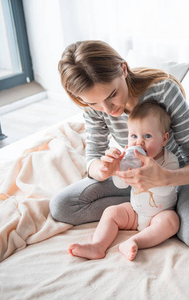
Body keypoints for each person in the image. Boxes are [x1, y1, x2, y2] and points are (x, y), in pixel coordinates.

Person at [50, 40, 189, 249]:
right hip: (138, 179)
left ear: (123, 69)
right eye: (93, 103)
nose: (107, 109)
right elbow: (93, 158)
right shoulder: (95, 107)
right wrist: (103, 169)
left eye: (112, 95)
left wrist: (166, 178)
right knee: (62, 206)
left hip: (180, 173)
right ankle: (159, 212)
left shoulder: (163, 91)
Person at [69, 101, 180, 260]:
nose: (139, 142)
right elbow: (121, 185)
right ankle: (97, 246)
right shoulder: (131, 160)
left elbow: (167, 189)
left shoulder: (170, 161)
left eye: (147, 136)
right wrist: (117, 170)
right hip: (135, 212)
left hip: (159, 214)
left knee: (172, 221)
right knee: (111, 212)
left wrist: (150, 174)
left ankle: (134, 241)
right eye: (134, 136)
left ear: (164, 139)